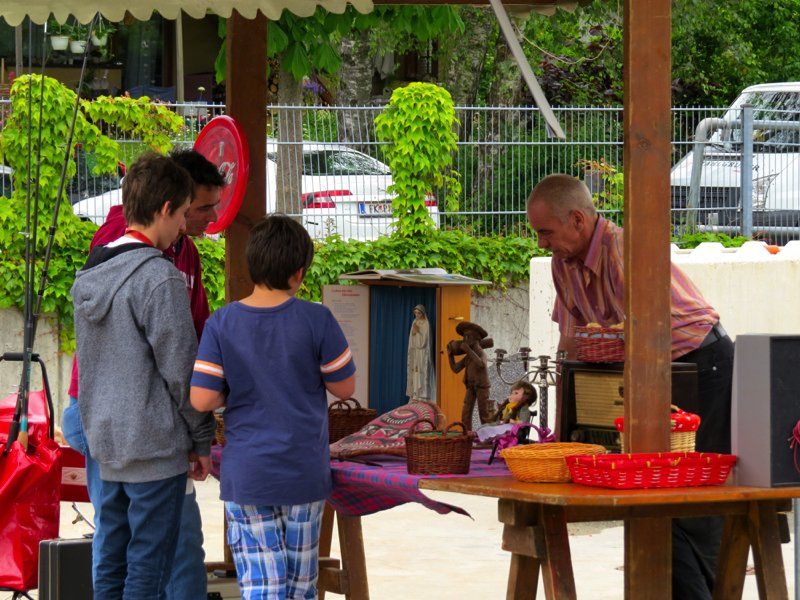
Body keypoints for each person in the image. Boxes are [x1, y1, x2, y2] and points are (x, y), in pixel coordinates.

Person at [527, 173, 734, 600]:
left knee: (693, 498)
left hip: (701, 362)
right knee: (650, 493)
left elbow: (644, 337)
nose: (542, 243)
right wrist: (564, 432)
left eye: (546, 232)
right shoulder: (562, 264)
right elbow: (570, 343)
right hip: (648, 371)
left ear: (578, 220)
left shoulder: (623, 250)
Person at [62, 148, 224, 598]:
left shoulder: (92, 272)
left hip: (106, 437)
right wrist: (202, 439)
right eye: (186, 214)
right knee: (149, 568)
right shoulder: (160, 275)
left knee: (113, 557)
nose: (186, 227)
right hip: (153, 444)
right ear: (167, 209)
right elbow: (180, 370)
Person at [190, 215, 356, 600]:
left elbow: (201, 399)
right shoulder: (317, 319)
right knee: (300, 587)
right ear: (298, 273)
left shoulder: (222, 323)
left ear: (252, 266)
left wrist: (235, 389)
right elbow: (344, 387)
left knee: (264, 588)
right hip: (304, 473)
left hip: (248, 475)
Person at [447, 321, 493, 430]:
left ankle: (487, 435)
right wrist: (450, 356)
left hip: (481, 386)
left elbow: (481, 365)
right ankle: (466, 433)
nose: (464, 340)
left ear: (476, 338)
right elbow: (456, 369)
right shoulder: (469, 356)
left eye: (467, 337)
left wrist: (468, 350)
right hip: (470, 386)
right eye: (464, 337)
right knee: (466, 411)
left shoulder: (481, 353)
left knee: (484, 412)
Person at [406, 304, 433, 400]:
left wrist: (418, 332)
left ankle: (422, 394)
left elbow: (424, 342)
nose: (417, 315)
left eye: (419, 313)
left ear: (423, 313)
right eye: (415, 313)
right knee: (415, 371)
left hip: (422, 352)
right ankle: (415, 393)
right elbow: (411, 338)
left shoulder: (426, 324)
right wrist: (414, 333)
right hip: (416, 351)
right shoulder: (415, 322)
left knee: (421, 371)